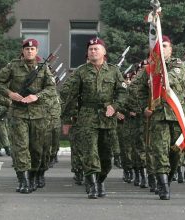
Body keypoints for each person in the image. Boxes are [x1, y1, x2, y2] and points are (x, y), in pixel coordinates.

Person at [60, 37, 127, 199]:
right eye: (90, 49)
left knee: (106, 155)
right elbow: (69, 95)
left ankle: (100, 179)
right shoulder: (81, 71)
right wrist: (67, 119)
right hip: (87, 116)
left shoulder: (113, 71)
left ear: (104, 52)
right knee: (90, 152)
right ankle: (92, 184)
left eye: (96, 48)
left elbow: (123, 92)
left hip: (107, 117)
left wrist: (114, 106)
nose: (93, 51)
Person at [0, 38, 57, 194]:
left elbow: (51, 88)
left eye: (33, 49)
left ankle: (34, 176)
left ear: (36, 51)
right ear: (23, 51)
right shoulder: (13, 66)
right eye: (27, 49)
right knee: (21, 147)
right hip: (18, 113)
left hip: (38, 114)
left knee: (36, 149)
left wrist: (37, 96)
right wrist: (10, 94)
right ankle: (23, 180)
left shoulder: (43, 68)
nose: (29, 51)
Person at [129, 35, 185, 200]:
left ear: (171, 49)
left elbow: (172, 79)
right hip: (158, 115)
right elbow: (134, 88)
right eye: (159, 46)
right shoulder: (148, 68)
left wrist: (156, 76)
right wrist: (143, 107)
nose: (162, 49)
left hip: (175, 115)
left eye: (165, 46)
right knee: (160, 151)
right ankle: (163, 185)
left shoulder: (178, 64)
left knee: (175, 153)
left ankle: (167, 179)